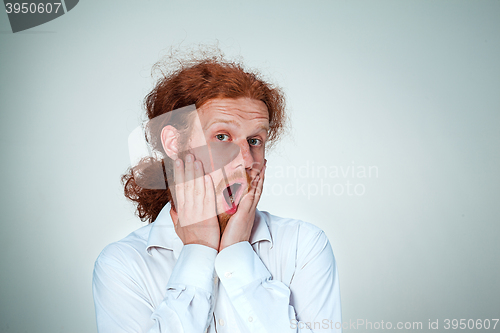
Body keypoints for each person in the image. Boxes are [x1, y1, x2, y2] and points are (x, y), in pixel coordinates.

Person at [92, 51, 342, 332]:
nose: (247, 160)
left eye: (255, 140)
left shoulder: (302, 246)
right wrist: (198, 252)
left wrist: (237, 253)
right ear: (175, 144)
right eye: (222, 137)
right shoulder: (123, 266)